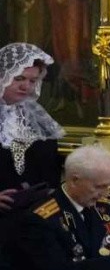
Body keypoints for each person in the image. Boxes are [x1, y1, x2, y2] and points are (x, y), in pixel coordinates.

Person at [0, 44, 64, 191]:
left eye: (32, 81)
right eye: (19, 78)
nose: (26, 87)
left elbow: (49, 167)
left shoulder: (38, 117)